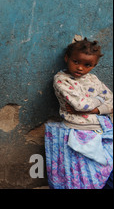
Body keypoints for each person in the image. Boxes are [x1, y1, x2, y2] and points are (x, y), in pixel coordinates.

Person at [45, 37, 113, 189]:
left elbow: (111, 101)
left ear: (94, 66)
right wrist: (100, 99)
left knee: (107, 170)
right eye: (76, 62)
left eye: (87, 65)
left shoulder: (93, 79)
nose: (80, 68)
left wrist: (96, 108)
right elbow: (80, 105)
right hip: (79, 131)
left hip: (102, 130)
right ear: (67, 58)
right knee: (86, 174)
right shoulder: (62, 80)